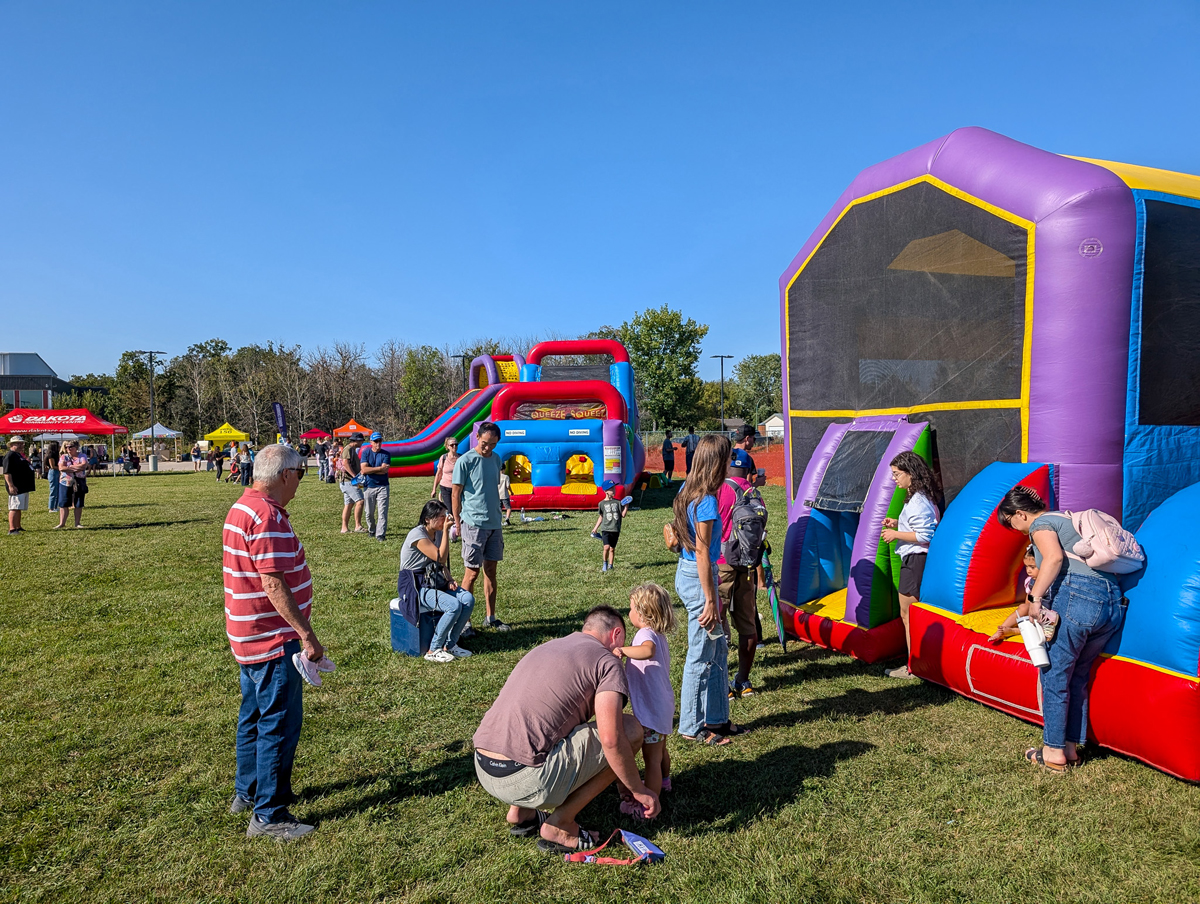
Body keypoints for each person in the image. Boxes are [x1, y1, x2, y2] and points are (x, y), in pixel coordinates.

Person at [473, 605, 660, 853]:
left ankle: (521, 811)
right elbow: (612, 739)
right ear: (616, 634)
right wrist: (638, 789)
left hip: (484, 767)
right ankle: (560, 823)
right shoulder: (606, 661)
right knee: (631, 729)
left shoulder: (548, 646)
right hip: (525, 778)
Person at [223, 444, 327, 840]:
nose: (301, 481)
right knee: (278, 724)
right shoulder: (266, 516)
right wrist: (306, 634)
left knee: (253, 717)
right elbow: (272, 582)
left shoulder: (242, 507)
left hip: (247, 634)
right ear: (285, 475)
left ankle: (247, 792)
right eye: (300, 473)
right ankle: (269, 815)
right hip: (271, 638)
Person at [997, 486, 1128, 772]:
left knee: (1054, 675)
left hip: (1078, 598)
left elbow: (1054, 559)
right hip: (1112, 603)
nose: (1016, 531)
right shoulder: (1069, 520)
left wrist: (1035, 597)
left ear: (1020, 513)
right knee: (1078, 675)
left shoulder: (1042, 524)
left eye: (1012, 523)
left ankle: (1054, 751)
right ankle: (1070, 747)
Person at [673, 433, 747, 745]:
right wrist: (709, 599)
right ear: (717, 462)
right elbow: (703, 552)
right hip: (699, 576)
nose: (732, 462)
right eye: (729, 457)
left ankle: (718, 718)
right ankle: (692, 727)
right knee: (701, 654)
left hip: (692, 572)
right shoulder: (705, 501)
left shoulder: (686, 489)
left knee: (718, 650)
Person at [880, 451, 941, 679]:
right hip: (917, 559)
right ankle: (914, 662)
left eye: (897, 474)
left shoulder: (917, 501)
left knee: (909, 614)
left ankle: (913, 666)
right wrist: (898, 523)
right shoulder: (920, 496)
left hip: (916, 559)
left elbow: (926, 534)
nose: (894, 479)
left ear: (910, 474)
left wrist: (895, 533)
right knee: (910, 614)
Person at [614, 583, 676, 806]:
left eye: (630, 609)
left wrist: (622, 651)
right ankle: (665, 781)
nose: (628, 613)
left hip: (651, 709)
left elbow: (647, 651)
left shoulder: (645, 634)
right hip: (662, 705)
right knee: (660, 751)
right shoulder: (658, 634)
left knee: (651, 759)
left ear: (642, 613)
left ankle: (650, 801)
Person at [399, 500, 476, 662]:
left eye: (445, 515)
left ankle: (450, 645)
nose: (445, 519)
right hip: (415, 584)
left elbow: (440, 563)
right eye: (441, 516)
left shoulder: (438, 531)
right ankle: (433, 649)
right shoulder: (417, 534)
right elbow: (440, 557)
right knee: (453, 606)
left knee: (467, 599)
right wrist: (447, 530)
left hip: (434, 579)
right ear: (428, 519)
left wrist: (449, 578)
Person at [718, 448, 766, 697]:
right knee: (748, 626)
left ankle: (720, 683)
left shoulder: (718, 490)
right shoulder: (754, 493)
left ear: (727, 467)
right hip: (747, 565)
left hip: (722, 563)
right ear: (748, 471)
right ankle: (743, 681)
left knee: (716, 621)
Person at [452, 422, 509, 631]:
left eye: (493, 444)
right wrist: (457, 522)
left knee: (491, 571)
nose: (488, 448)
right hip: (473, 523)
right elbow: (456, 493)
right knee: (471, 573)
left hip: (494, 523)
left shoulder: (496, 459)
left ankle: (491, 617)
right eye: (485, 443)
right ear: (477, 437)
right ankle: (464, 622)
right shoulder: (465, 461)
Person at [989, 545, 1060, 644]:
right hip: (1036, 612)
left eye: (1032, 567)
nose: (1028, 570)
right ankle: (1002, 628)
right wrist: (1026, 610)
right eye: (1026, 566)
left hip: (1049, 613)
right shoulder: (1030, 581)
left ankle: (1013, 631)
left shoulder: (1053, 581)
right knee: (1023, 607)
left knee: (1040, 625)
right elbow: (1029, 601)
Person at [359, 431, 391, 542]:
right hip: (369, 486)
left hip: (383, 486)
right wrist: (379, 469)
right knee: (369, 513)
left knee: (382, 512)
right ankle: (372, 530)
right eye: (376, 441)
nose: (378, 443)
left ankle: (380, 534)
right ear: (371, 442)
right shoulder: (366, 453)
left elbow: (385, 470)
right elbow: (364, 469)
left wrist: (370, 470)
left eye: (380, 441)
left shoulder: (386, 454)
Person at [591, 479, 628, 573]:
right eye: (611, 489)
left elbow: (622, 515)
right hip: (605, 528)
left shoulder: (618, 503)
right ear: (606, 491)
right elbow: (601, 517)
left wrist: (626, 506)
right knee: (606, 547)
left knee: (612, 549)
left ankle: (611, 566)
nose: (614, 490)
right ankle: (605, 563)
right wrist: (595, 528)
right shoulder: (601, 504)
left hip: (615, 529)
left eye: (614, 488)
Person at [3, 436, 36, 535]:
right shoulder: (10, 456)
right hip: (16, 486)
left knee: (19, 507)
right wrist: (11, 485)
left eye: (22, 443)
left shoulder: (18, 455)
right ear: (12, 445)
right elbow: (7, 472)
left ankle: (18, 526)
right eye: (18, 443)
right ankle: (12, 528)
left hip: (23, 486)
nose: (21, 445)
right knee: (14, 506)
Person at [56, 441, 89, 528]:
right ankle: (62, 523)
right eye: (67, 447)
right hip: (65, 482)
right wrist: (75, 468)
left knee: (78, 502)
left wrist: (69, 467)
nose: (68, 449)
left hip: (79, 481)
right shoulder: (64, 456)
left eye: (71, 447)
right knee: (63, 503)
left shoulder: (82, 456)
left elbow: (83, 466)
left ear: (76, 447)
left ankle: (77, 523)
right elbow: (61, 468)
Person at [339, 434, 365, 534]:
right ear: (356, 441)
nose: (362, 442)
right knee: (360, 501)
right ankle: (358, 526)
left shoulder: (352, 449)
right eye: (361, 441)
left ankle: (344, 528)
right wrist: (355, 476)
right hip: (349, 481)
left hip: (347, 482)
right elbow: (345, 463)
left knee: (349, 504)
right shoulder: (348, 449)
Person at [430, 436, 461, 515]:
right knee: (450, 509)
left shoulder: (461, 458)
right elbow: (439, 474)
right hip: (445, 487)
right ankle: (448, 526)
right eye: (452, 445)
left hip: (458, 487)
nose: (454, 446)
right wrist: (434, 489)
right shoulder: (443, 458)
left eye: (456, 444)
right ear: (447, 447)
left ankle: (456, 526)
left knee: (458, 509)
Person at [45, 441, 60, 513]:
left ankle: (56, 506)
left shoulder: (57, 454)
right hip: (53, 472)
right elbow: (52, 466)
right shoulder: (51, 455)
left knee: (57, 490)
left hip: (57, 472)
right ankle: (51, 507)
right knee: (53, 490)